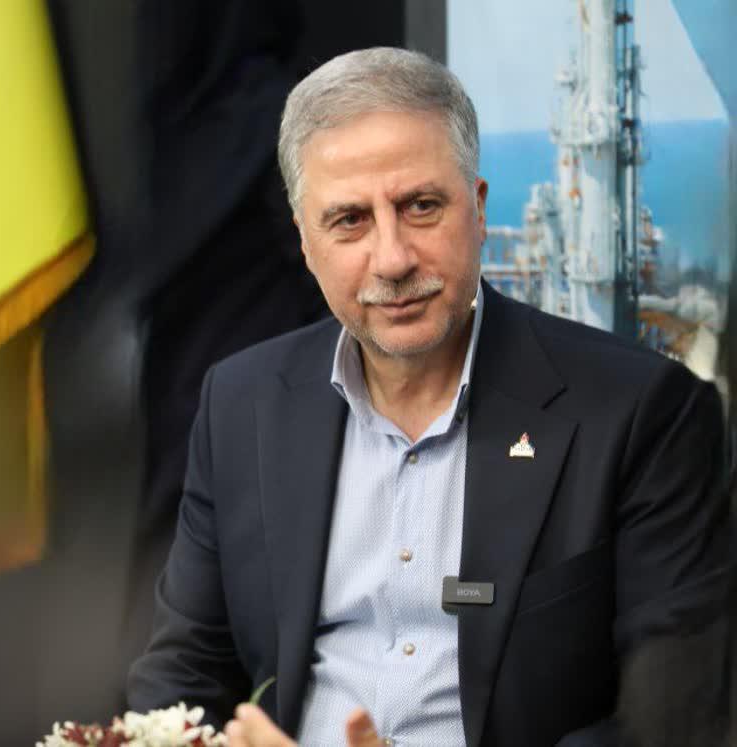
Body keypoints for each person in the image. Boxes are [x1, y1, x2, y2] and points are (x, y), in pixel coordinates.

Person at [128, 47, 729, 746]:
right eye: (349, 220)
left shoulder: (645, 412)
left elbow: (668, 726)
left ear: (478, 209)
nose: (392, 259)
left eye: (420, 206)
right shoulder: (241, 402)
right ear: (305, 241)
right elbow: (184, 671)